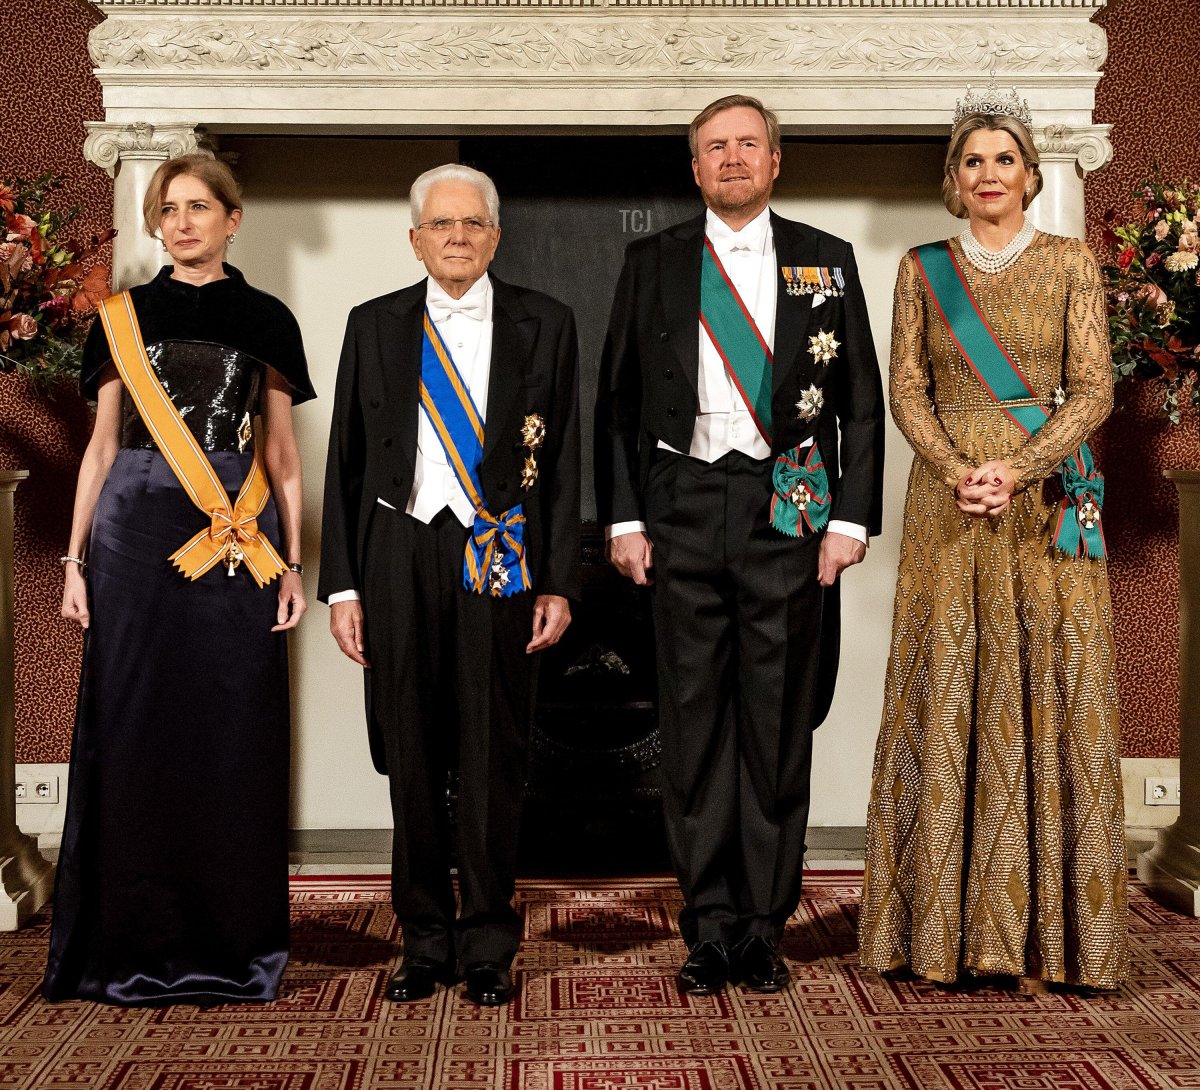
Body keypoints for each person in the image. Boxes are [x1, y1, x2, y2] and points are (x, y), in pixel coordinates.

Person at [594, 95, 885, 996]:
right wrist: (625, 520)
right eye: (714, 147)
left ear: (775, 160)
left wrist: (848, 521)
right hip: (680, 503)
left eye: (747, 145)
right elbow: (617, 403)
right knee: (693, 724)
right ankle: (709, 923)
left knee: (774, 722)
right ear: (694, 168)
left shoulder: (824, 260)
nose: (731, 159)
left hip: (786, 510)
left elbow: (861, 404)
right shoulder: (653, 261)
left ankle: (764, 925)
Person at [857, 85, 1128, 990]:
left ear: (1028, 173)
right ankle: (936, 931)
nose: (988, 174)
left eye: (1003, 159)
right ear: (953, 176)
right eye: (972, 160)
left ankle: (1050, 936)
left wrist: (1017, 468)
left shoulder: (1070, 262)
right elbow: (905, 389)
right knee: (950, 686)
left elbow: (1094, 389)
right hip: (948, 507)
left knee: (1048, 687)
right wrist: (954, 469)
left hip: (1043, 504)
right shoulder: (919, 267)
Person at [45, 152, 314, 1006]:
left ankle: (234, 948)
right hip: (134, 537)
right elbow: (100, 448)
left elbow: (283, 454)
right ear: (156, 221)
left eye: (201, 206)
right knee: (135, 731)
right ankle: (130, 944)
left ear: (234, 219)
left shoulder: (268, 317)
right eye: (170, 208)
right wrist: (75, 563)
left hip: (235, 537)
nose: (184, 222)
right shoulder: (119, 317)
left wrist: (297, 565)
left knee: (232, 732)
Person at [319, 164, 580, 1008]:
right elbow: (346, 466)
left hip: (500, 551)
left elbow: (567, 460)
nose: (457, 236)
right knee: (412, 752)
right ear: (416, 239)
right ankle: (424, 938)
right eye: (442, 224)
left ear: (495, 236)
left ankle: (489, 943)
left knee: (493, 749)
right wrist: (344, 587)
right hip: (398, 548)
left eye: (472, 223)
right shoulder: (373, 324)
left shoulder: (548, 322)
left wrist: (558, 579)